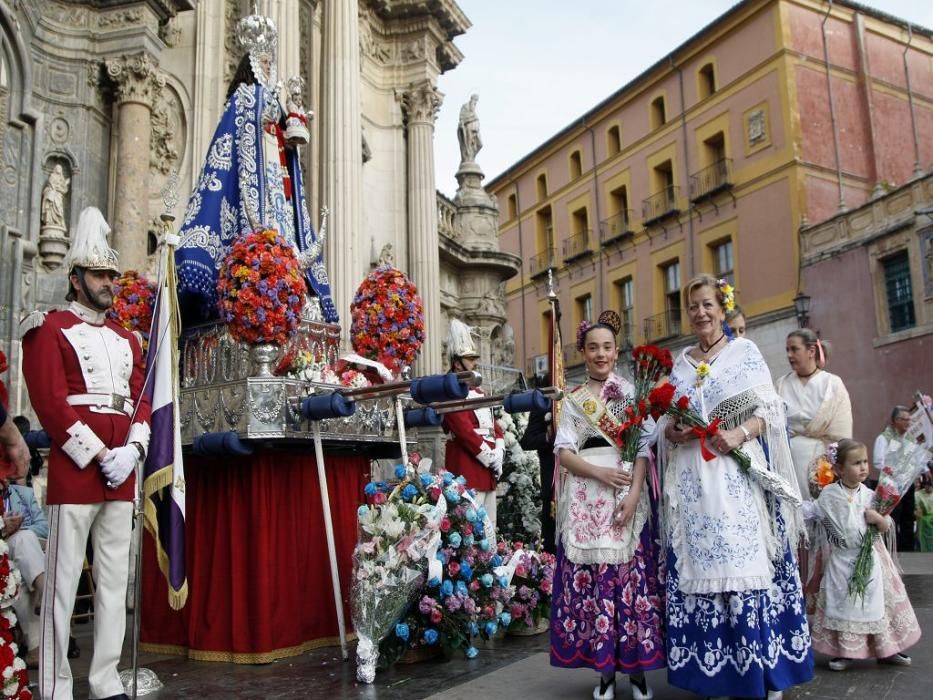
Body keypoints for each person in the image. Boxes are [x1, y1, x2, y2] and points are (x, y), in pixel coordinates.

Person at [660, 274, 812, 700]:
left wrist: (738, 435)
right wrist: (673, 431)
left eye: (707, 304)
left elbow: (770, 412)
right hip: (693, 482)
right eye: (692, 306)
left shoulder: (744, 353)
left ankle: (761, 671)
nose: (700, 313)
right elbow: (666, 423)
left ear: (722, 308)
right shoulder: (681, 361)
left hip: (735, 478)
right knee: (701, 574)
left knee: (745, 572)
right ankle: (716, 676)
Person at [20, 206, 151, 700]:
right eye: (99, 275)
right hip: (78, 471)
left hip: (123, 473)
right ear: (76, 278)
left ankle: (105, 680)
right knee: (60, 586)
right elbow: (50, 402)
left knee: (115, 584)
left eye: (112, 275)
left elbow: (140, 398)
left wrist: (134, 448)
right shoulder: (48, 328)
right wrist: (100, 454)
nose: (108, 283)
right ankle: (55, 686)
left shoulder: (126, 339)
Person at [175, 10, 337, 324]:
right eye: (263, 64)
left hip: (277, 177)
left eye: (269, 63)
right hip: (254, 182)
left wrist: (293, 116)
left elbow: (287, 128)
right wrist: (282, 101)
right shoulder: (246, 97)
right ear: (251, 66)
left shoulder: (266, 97)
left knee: (284, 226)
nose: (267, 68)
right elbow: (258, 113)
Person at [551, 311, 663, 700]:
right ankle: (605, 673)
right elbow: (563, 453)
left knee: (629, 585)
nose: (601, 354)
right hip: (586, 494)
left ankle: (636, 672)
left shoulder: (632, 393)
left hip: (625, 496)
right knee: (598, 586)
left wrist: (634, 494)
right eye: (593, 347)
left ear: (617, 352)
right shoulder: (574, 400)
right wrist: (597, 475)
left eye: (607, 347)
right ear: (583, 352)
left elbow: (645, 449)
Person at [807, 439, 920, 670]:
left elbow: (886, 524)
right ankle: (845, 650)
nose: (863, 467)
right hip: (841, 559)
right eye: (856, 463)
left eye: (865, 462)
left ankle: (886, 649)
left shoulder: (872, 495)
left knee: (878, 604)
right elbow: (817, 516)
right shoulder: (829, 495)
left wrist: (878, 519)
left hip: (871, 557)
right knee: (845, 603)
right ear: (839, 469)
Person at [776, 329, 852, 500]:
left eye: (794, 349)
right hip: (788, 464)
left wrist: (836, 466)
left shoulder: (832, 383)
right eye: (787, 350)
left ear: (811, 351)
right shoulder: (781, 384)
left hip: (822, 463)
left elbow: (842, 432)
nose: (789, 355)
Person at [442, 319, 503, 529]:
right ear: (457, 363)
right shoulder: (448, 391)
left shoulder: (479, 391)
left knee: (489, 528)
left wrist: (500, 451)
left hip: (487, 470)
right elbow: (464, 431)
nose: (475, 363)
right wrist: (490, 457)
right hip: (468, 467)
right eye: (470, 359)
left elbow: (495, 426)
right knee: (470, 528)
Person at [2, 474, 48, 667]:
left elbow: (44, 528)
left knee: (19, 575)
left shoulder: (24, 494)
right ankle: (44, 587)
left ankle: (35, 648)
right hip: (4, 546)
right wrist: (5, 527)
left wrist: (21, 529)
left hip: (23, 552)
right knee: (23, 546)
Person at [518, 373, 555, 554]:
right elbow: (527, 441)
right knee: (552, 534)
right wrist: (549, 436)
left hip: (576, 477)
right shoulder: (542, 405)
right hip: (552, 479)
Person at [874, 406, 919, 551]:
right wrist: (893, 470)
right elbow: (878, 461)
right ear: (895, 420)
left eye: (909, 419)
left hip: (907, 482)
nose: (908, 422)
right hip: (890, 484)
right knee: (894, 515)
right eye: (904, 419)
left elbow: (915, 459)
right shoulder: (884, 438)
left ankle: (907, 547)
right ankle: (891, 547)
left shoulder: (911, 439)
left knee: (908, 514)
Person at [457, 94, 483, 164]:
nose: (475, 102)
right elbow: (461, 117)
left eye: (476, 101)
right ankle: (467, 158)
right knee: (468, 145)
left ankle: (471, 158)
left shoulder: (473, 110)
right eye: (475, 100)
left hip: (475, 129)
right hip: (468, 127)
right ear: (472, 99)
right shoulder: (465, 106)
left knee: (480, 144)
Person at [915, 473, 933, 552]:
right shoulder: (917, 494)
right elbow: (916, 510)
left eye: (931, 485)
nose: (928, 487)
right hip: (923, 521)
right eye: (926, 485)